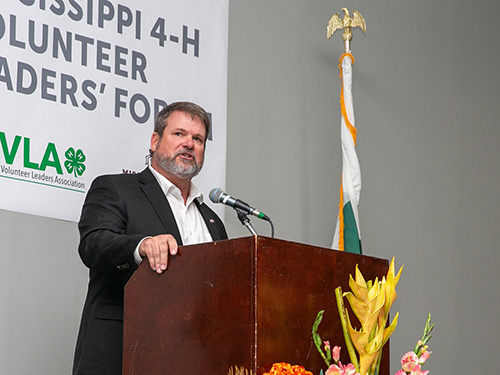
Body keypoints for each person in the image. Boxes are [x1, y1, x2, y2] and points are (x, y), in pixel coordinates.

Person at [72, 101, 228, 375]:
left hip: (195, 358)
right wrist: (140, 245)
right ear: (155, 141)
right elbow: (93, 245)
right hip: (122, 354)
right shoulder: (116, 188)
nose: (189, 144)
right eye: (179, 134)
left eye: (198, 139)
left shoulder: (212, 221)